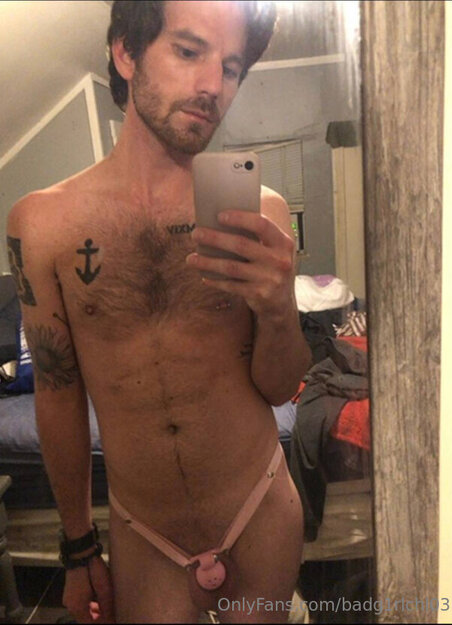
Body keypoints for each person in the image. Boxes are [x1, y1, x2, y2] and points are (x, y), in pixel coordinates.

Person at [7, 1, 311, 622]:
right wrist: (77, 548)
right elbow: (58, 394)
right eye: (189, 51)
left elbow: (281, 387)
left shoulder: (262, 212)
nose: (213, 86)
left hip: (260, 510)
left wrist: (280, 311)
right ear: (126, 52)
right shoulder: (41, 225)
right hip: (144, 537)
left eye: (231, 67)